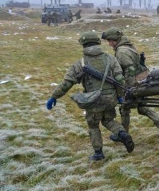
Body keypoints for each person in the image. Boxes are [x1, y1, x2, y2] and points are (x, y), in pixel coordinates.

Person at [46, 31, 134, 161]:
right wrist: (120, 96)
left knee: (93, 126)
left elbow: (67, 83)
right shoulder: (110, 58)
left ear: (83, 45)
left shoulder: (80, 63)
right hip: (110, 98)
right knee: (108, 121)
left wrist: (54, 96)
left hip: (93, 100)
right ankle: (122, 134)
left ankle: (98, 153)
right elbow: (120, 79)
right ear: (98, 43)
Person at [101, 27, 159, 141]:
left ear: (115, 39)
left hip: (134, 84)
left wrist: (127, 89)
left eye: (110, 41)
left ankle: (124, 135)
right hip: (142, 80)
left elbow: (130, 70)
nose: (109, 44)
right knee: (142, 106)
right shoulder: (129, 47)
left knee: (124, 109)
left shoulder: (121, 52)